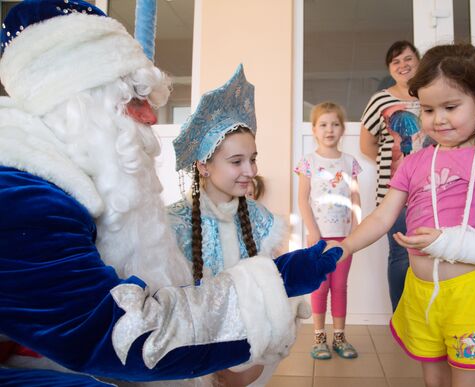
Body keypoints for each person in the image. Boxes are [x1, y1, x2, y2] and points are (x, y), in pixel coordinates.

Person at [0, 1, 342, 385]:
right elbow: (124, 335)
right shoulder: (21, 198)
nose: (149, 117)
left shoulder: (69, 182)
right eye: (133, 99)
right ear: (77, 101)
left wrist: (273, 286)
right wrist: (269, 290)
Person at [335, 43, 475, 386]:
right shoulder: (413, 163)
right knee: (433, 381)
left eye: (451, 107)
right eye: (428, 109)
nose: (438, 119)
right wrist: (344, 246)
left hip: (468, 298)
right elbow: (383, 217)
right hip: (420, 294)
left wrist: (448, 242)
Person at [167, 65, 290, 385]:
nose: (250, 170)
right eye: (236, 161)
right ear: (204, 165)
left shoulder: (261, 221)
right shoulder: (174, 224)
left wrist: (251, 364)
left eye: (253, 158)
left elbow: (270, 296)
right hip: (192, 359)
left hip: (250, 356)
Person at [359, 40, 426, 311]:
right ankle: (401, 317)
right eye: (396, 61)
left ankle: (426, 318)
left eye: (408, 58)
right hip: (394, 191)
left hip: (432, 189)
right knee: (400, 255)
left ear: (418, 62)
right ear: (390, 68)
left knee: (429, 253)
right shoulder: (380, 100)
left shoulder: (430, 94)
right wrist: (400, 167)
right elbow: (366, 145)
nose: (403, 65)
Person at [295, 102, 362, 360]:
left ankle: (340, 337)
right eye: (323, 124)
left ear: (343, 129)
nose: (329, 129)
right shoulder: (308, 162)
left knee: (340, 287)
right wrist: (312, 231)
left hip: (345, 239)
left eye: (335, 124)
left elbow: (356, 199)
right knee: (320, 287)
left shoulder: (349, 162)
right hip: (318, 239)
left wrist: (356, 230)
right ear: (314, 130)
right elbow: (303, 199)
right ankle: (319, 337)